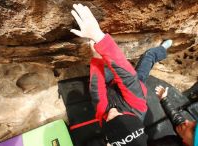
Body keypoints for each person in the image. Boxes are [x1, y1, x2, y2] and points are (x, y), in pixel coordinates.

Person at [70, 3, 172, 146]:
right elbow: (126, 76)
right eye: (119, 115)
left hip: (112, 89)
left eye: (109, 120)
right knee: (147, 57)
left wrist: (96, 58)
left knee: (99, 73)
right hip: (134, 88)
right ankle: (161, 50)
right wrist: (98, 37)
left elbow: (96, 90)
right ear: (132, 118)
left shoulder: (104, 118)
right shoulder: (138, 107)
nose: (111, 112)